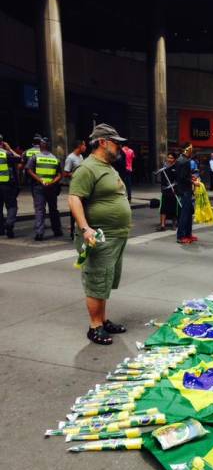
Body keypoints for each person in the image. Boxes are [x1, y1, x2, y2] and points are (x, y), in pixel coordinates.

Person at [68, 123, 132, 345]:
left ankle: (102, 321)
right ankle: (94, 326)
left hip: (115, 236)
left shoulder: (108, 166)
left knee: (104, 281)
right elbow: (74, 198)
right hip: (99, 237)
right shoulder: (88, 168)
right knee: (96, 280)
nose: (121, 148)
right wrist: (85, 228)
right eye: (117, 143)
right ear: (103, 142)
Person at [26, 137, 63, 241]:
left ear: (41, 146)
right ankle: (57, 231)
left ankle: (39, 233)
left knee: (40, 210)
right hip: (51, 188)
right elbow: (60, 175)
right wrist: (51, 182)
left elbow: (29, 170)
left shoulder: (35, 157)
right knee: (53, 210)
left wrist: (40, 180)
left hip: (39, 187)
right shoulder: (55, 158)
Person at [176, 143, 200, 244]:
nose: (192, 150)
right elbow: (182, 177)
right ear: (187, 150)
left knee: (189, 212)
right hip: (185, 190)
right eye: (191, 148)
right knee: (185, 214)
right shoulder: (184, 161)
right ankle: (181, 236)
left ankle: (188, 234)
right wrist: (193, 181)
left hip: (185, 190)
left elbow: (184, 175)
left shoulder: (182, 160)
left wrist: (191, 177)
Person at [64, 139, 87, 239]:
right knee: (74, 210)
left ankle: (81, 229)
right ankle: (73, 231)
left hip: (83, 187)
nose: (85, 147)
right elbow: (65, 173)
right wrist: (76, 175)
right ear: (79, 146)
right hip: (75, 187)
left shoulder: (81, 156)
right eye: (84, 145)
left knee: (83, 209)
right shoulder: (70, 158)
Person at [0, 135, 20, 238]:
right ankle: (9, 223)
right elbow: (19, 158)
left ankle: (1, 230)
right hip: (7, 184)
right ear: (2, 142)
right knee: (12, 206)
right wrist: (9, 149)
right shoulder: (6, 154)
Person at [159, 152, 179, 230]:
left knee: (173, 207)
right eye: (168, 157)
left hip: (173, 190)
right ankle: (162, 225)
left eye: (171, 158)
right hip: (165, 190)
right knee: (163, 208)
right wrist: (162, 188)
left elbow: (177, 180)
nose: (169, 159)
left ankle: (174, 224)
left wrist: (176, 188)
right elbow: (162, 179)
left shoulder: (176, 168)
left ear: (174, 159)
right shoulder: (164, 168)